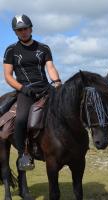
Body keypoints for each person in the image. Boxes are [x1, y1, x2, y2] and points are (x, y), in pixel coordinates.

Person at [3, 14, 62, 171]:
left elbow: (50, 67)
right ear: (15, 32)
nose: (23, 32)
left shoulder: (43, 48)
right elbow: (8, 76)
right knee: (21, 119)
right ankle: (24, 154)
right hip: (25, 90)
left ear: (31, 28)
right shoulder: (11, 50)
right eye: (19, 30)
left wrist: (57, 82)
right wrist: (23, 89)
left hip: (45, 87)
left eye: (25, 28)